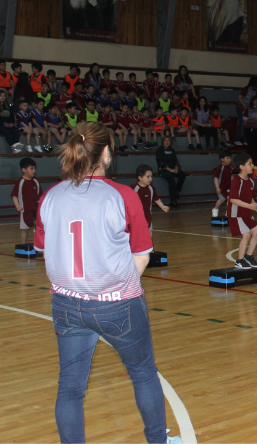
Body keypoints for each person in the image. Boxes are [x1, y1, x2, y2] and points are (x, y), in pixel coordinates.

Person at [34, 121, 181, 444]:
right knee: (143, 373)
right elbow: (141, 255)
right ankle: (159, 441)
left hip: (66, 304)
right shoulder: (123, 195)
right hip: (118, 304)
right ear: (105, 153)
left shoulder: (50, 197)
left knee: (70, 387)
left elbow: (43, 249)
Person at [228, 152, 257, 269]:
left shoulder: (251, 181)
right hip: (237, 213)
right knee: (246, 235)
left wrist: (254, 205)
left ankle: (248, 256)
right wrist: (249, 206)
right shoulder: (236, 181)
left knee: (256, 232)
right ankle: (239, 260)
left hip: (246, 212)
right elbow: (233, 199)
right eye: (249, 164)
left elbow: (250, 197)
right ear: (241, 167)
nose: (252, 166)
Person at [11, 157, 41, 244]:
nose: (34, 170)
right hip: (25, 210)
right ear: (24, 169)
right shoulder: (20, 182)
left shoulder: (36, 182)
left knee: (39, 227)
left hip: (36, 209)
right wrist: (17, 205)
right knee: (25, 229)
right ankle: (23, 245)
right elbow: (14, 195)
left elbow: (40, 196)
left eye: (34, 168)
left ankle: (38, 245)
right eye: (31, 168)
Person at [132, 164, 169, 233]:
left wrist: (162, 206)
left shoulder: (151, 188)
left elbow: (156, 198)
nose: (150, 179)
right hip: (136, 218)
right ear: (140, 177)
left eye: (151, 176)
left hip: (148, 216)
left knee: (149, 236)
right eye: (147, 177)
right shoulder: (134, 188)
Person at [156, 136, 186, 207]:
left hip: (173, 168)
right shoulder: (160, 150)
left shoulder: (172, 150)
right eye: (165, 140)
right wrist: (170, 169)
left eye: (168, 141)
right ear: (163, 142)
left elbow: (175, 161)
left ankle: (177, 190)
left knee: (182, 175)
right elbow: (160, 163)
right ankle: (173, 200)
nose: (167, 142)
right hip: (165, 170)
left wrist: (176, 168)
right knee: (172, 181)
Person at [236, 77, 257, 145]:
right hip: (241, 108)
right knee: (242, 123)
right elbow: (239, 97)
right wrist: (244, 105)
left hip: (247, 109)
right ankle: (237, 139)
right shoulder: (246, 89)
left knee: (248, 124)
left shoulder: (254, 91)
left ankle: (246, 140)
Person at [212, 150, 233, 218]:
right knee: (222, 199)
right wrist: (217, 187)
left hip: (229, 187)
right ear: (222, 159)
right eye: (227, 158)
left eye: (230, 158)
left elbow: (231, 176)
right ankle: (215, 209)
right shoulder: (219, 167)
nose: (229, 160)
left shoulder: (230, 167)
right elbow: (216, 178)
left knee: (229, 199)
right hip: (221, 187)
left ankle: (228, 213)